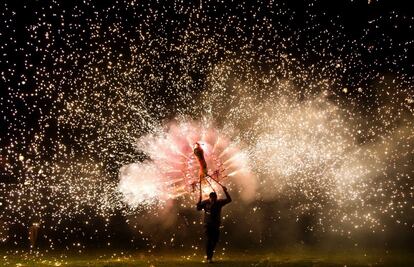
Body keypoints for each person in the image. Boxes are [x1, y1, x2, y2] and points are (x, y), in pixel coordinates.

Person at [196, 185, 232, 263]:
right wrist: (199, 200)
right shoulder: (205, 202)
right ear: (210, 197)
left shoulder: (219, 202)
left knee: (215, 241)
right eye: (212, 198)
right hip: (208, 225)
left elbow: (229, 200)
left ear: (216, 198)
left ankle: (210, 256)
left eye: (214, 198)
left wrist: (225, 191)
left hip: (216, 225)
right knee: (209, 240)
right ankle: (209, 258)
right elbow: (198, 208)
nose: (213, 200)